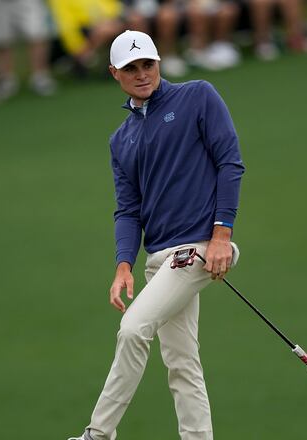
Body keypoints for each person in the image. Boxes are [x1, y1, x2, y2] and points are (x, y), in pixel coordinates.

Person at [69, 30, 245, 440]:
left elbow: (230, 163)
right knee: (182, 362)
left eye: (148, 64)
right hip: (158, 261)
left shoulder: (197, 96)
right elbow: (128, 210)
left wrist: (221, 235)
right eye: (131, 68)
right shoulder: (121, 139)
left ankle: (99, 434)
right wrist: (123, 265)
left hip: (198, 250)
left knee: (133, 329)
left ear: (159, 62)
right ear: (115, 73)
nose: (142, 73)